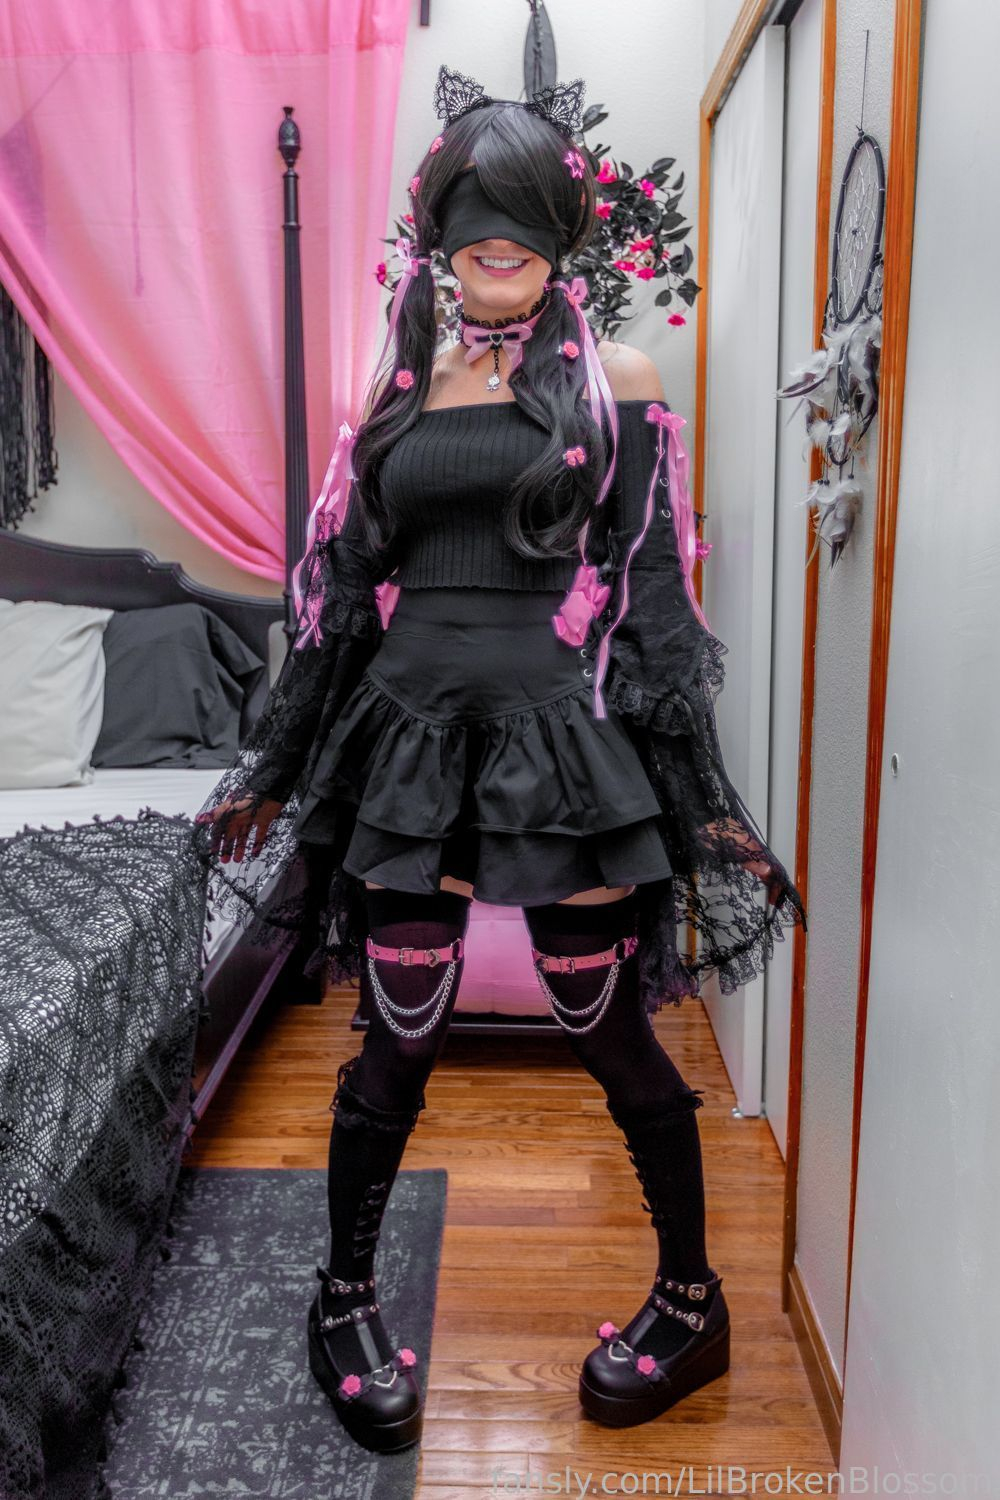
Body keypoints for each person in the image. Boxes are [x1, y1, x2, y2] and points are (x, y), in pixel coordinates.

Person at [193, 63, 807, 1454]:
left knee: (609, 1027)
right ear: (439, 232)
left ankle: (693, 1301)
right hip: (406, 746)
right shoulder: (395, 386)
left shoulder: (617, 382)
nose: (499, 249)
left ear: (561, 237)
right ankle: (345, 1298)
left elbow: (651, 599)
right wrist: (277, 768)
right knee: (400, 1031)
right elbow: (344, 596)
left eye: (524, 223)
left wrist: (701, 797)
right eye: (476, 223)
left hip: (561, 751)